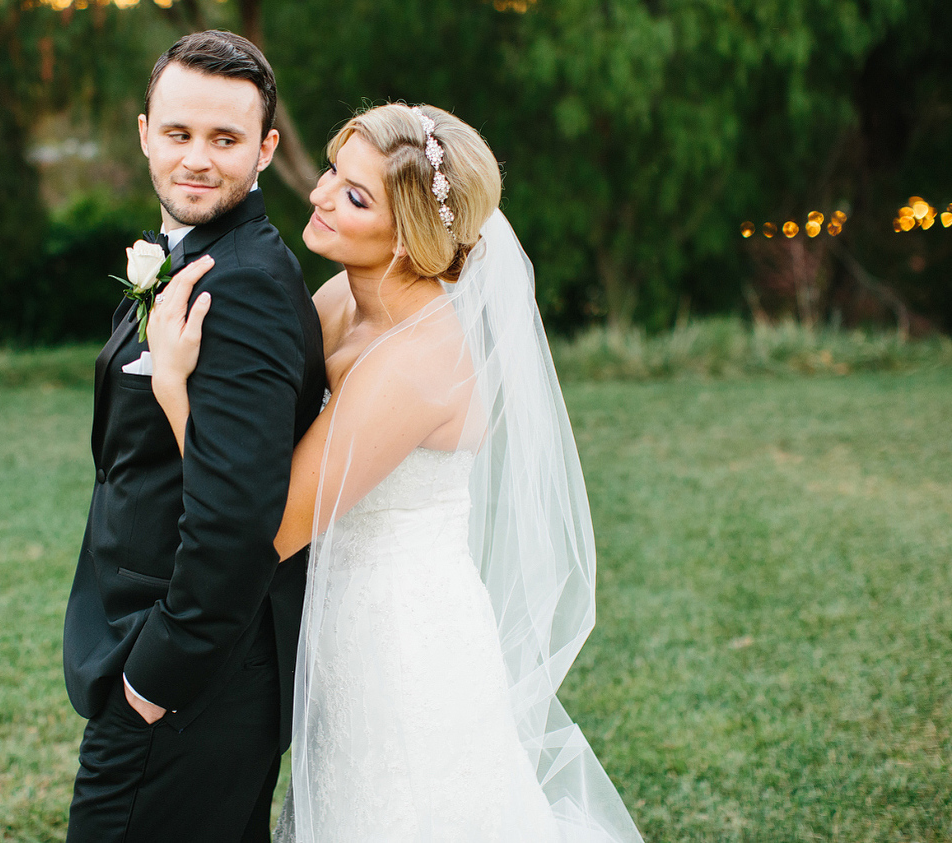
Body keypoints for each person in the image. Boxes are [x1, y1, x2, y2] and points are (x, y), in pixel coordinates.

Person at [146, 103, 644, 841]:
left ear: (410, 237)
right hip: (339, 610)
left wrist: (171, 386)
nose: (316, 195)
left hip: (397, 643)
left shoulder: (412, 360)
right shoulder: (347, 295)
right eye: (331, 172)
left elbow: (272, 526)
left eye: (353, 196)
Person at [61, 31, 326, 843]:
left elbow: (240, 517)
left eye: (225, 139)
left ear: (264, 148)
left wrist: (154, 674)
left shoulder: (238, 287)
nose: (198, 159)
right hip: (198, 672)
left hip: (189, 679)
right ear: (144, 131)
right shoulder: (203, 256)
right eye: (178, 134)